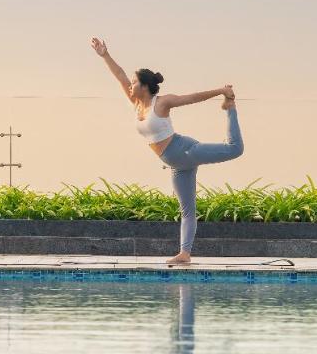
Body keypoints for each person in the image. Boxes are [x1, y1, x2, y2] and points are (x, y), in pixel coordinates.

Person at [90, 37, 243, 265]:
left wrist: (222, 91)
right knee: (187, 211)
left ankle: (230, 108)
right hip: (176, 164)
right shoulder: (136, 103)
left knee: (235, 149)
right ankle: (185, 254)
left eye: (134, 82)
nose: (130, 85)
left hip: (186, 151)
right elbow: (120, 75)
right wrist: (104, 55)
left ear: (144, 86)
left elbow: (192, 98)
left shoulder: (161, 103)